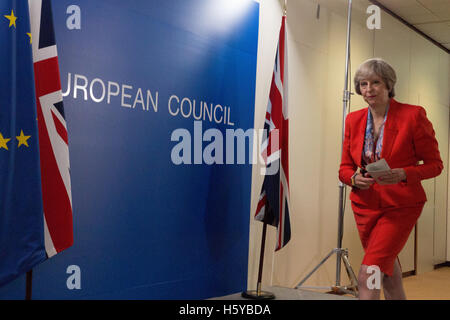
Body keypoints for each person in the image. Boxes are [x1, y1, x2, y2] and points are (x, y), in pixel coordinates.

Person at [339, 58, 443, 300]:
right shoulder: (353, 120)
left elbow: (436, 165)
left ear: (388, 85)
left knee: (368, 272)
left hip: (400, 206)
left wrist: (405, 172)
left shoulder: (413, 115)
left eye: (375, 82)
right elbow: (344, 168)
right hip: (364, 207)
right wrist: (354, 180)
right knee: (388, 275)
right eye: (363, 84)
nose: (369, 89)